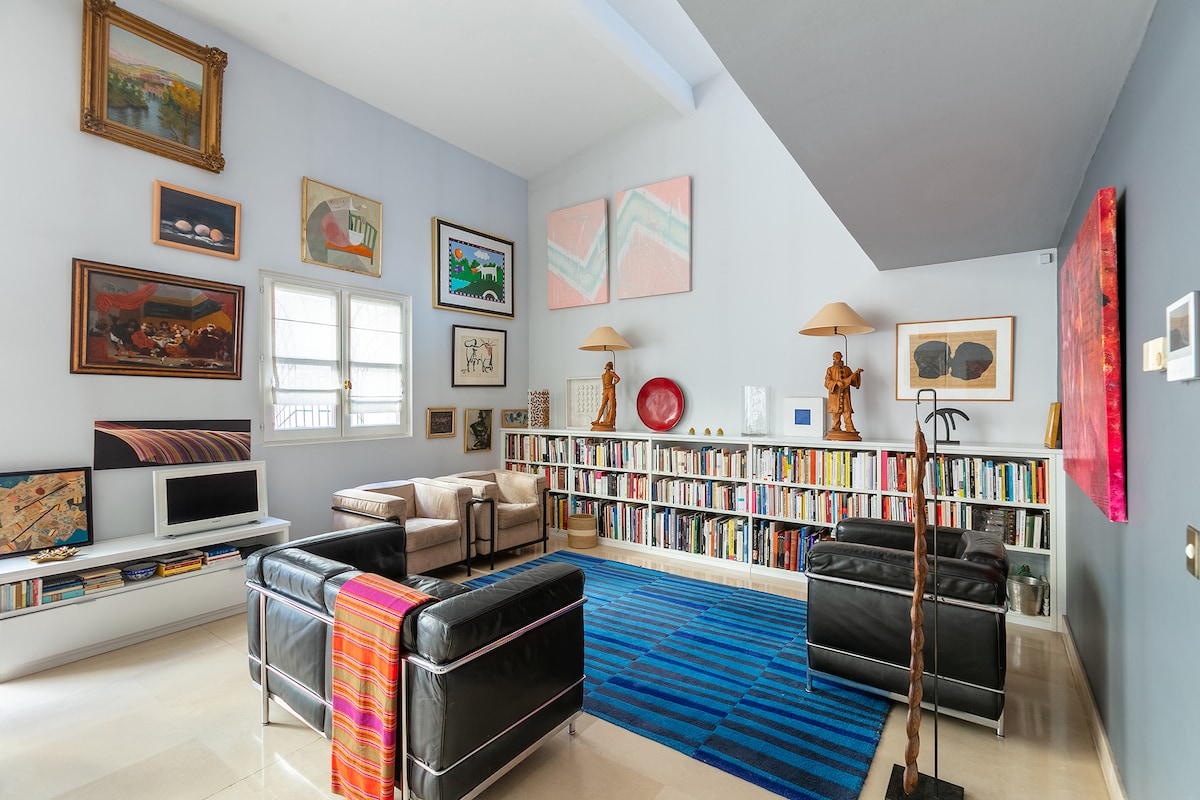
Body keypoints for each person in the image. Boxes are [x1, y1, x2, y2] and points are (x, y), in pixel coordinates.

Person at [825, 351, 863, 434]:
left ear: (841, 356)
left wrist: (857, 374)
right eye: (835, 356)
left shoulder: (847, 369)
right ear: (833, 358)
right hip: (835, 394)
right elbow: (827, 382)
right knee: (836, 412)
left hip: (845, 394)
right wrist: (836, 383)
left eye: (838, 356)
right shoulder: (830, 369)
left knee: (847, 411)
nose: (836, 357)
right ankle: (835, 427)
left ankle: (849, 427)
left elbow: (852, 381)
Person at [592, 361, 620, 430]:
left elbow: (618, 378)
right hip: (606, 390)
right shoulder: (603, 375)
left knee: (612, 404)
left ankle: (610, 420)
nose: (608, 367)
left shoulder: (611, 373)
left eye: (609, 366)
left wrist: (613, 384)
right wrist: (604, 391)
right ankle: (597, 420)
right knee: (603, 405)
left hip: (610, 389)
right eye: (607, 366)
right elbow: (603, 384)